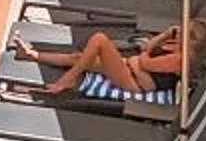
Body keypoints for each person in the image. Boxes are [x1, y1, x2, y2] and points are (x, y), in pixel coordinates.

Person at [29, 23, 184, 99]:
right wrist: (166, 34)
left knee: (99, 39)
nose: (180, 31)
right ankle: (33, 55)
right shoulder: (175, 43)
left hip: (133, 82)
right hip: (130, 69)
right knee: (78, 58)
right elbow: (146, 48)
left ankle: (67, 79)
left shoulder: (178, 60)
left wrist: (137, 62)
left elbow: (144, 62)